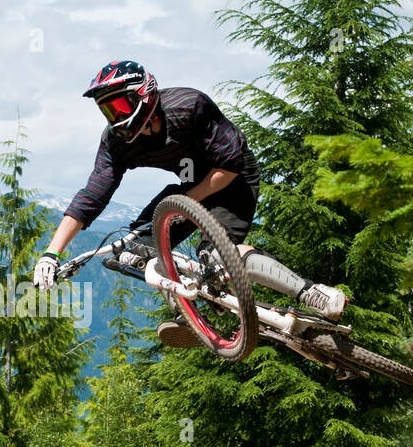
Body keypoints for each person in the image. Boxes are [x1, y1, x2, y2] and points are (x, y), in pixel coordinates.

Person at [32, 60, 347, 348]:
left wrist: (186, 203)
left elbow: (231, 163)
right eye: (108, 112)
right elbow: (92, 197)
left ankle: (312, 293)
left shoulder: (187, 106)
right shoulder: (116, 142)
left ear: (142, 94)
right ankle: (189, 311)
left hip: (233, 178)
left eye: (118, 106)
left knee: (217, 255)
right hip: (189, 186)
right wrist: (51, 253)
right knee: (134, 251)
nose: (115, 119)